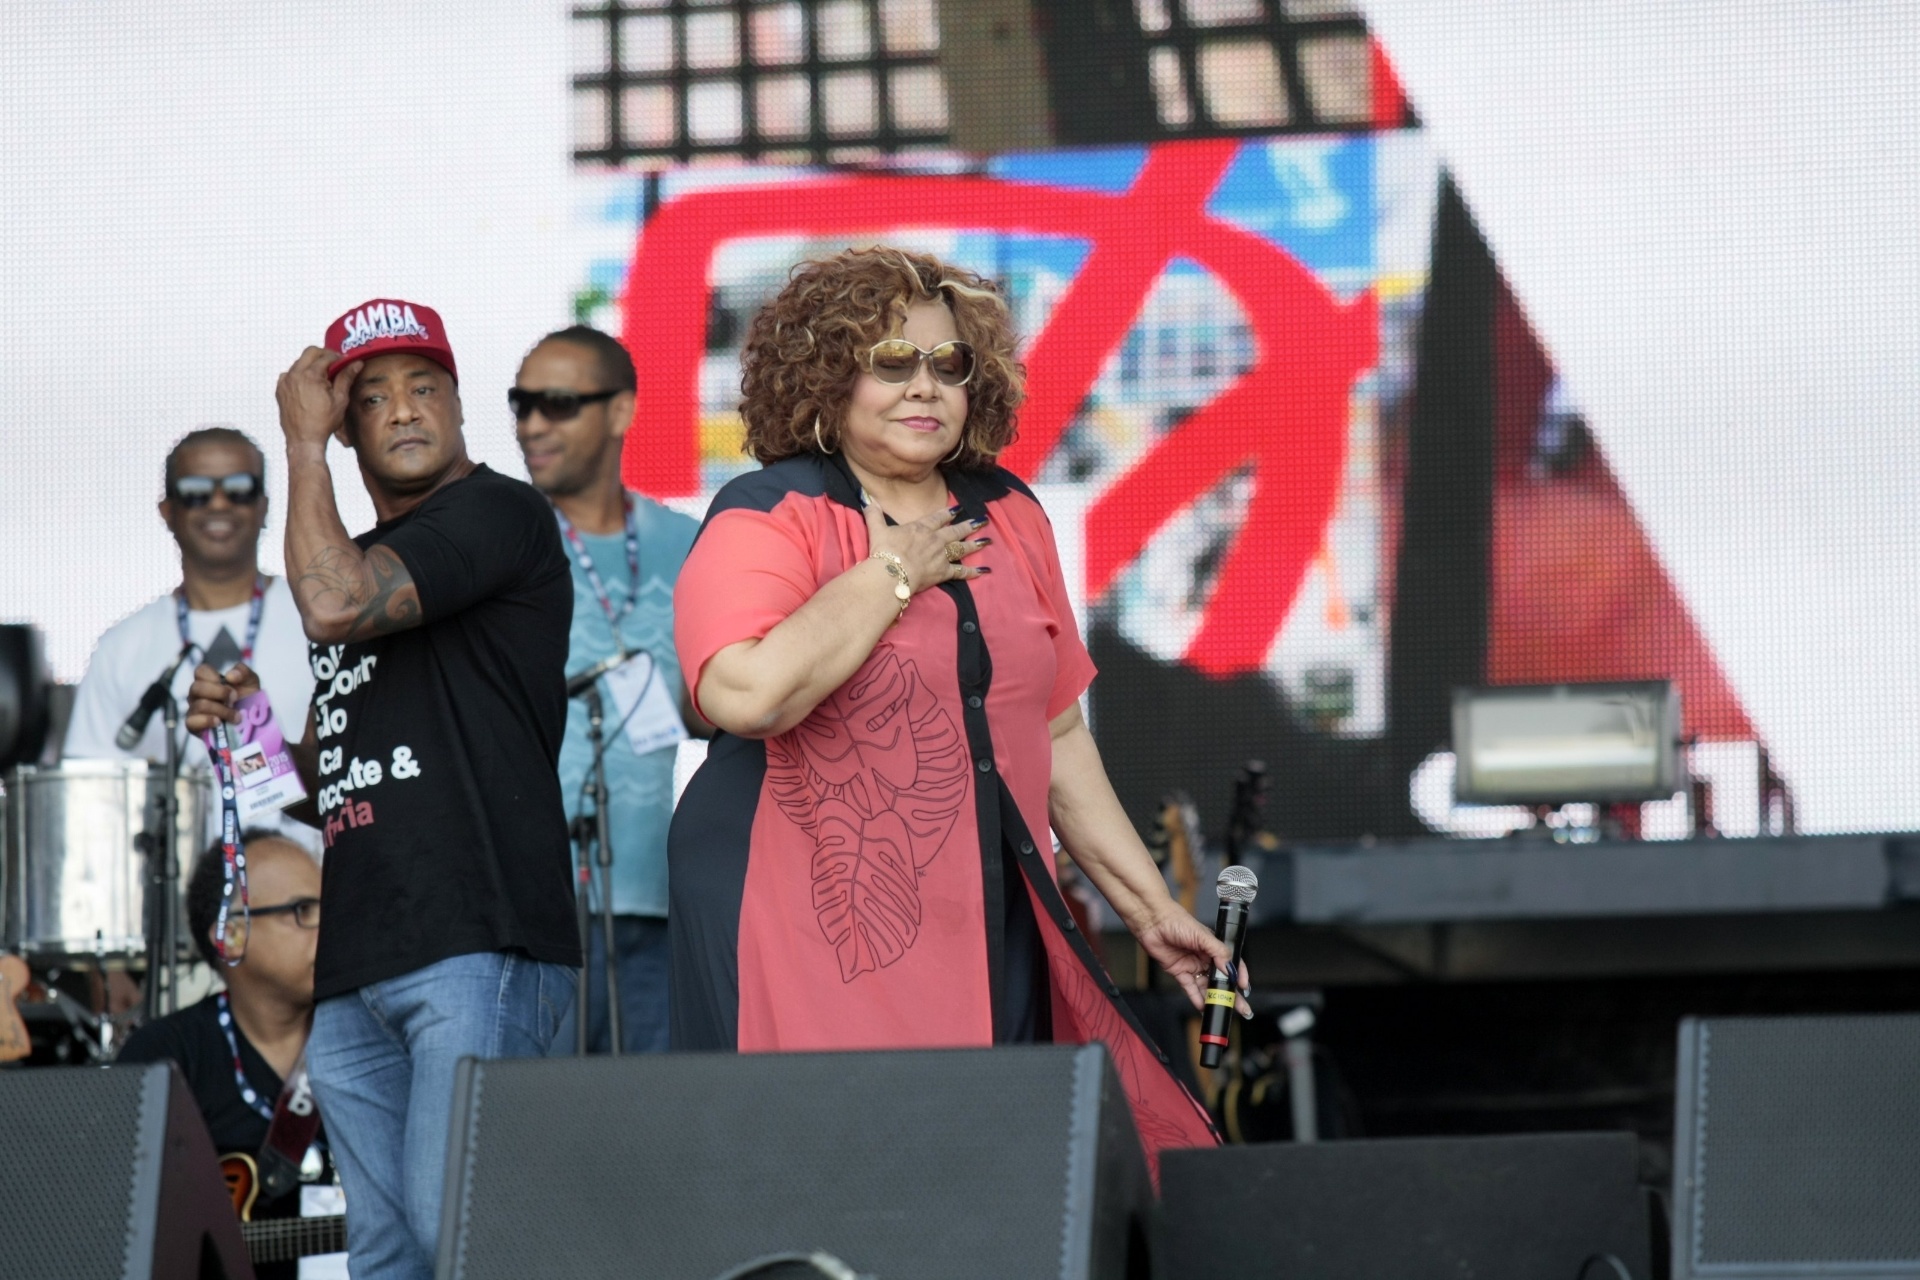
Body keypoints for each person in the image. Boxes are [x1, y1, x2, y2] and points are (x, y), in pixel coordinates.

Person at [668, 248, 1234, 1159]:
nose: (924, 386)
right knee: (831, 1170)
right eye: (892, 361)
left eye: (948, 363)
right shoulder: (768, 510)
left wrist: (1149, 907)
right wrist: (893, 574)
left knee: (997, 1170)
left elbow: (1054, 730)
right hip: (797, 908)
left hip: (981, 909)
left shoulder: (1011, 512)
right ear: (828, 376)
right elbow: (745, 693)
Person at [186, 299, 579, 1280]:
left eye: (425, 387)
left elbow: (331, 603)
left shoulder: (495, 513)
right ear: (351, 425)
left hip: (477, 936)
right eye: (373, 398)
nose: (403, 410)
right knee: (389, 1258)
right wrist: (245, 728)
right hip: (360, 960)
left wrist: (299, 445)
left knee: (466, 1243)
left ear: (460, 405)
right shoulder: (364, 560)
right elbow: (328, 776)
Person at [514, 324, 703, 1054]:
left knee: (654, 1116)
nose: (533, 424)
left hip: (659, 899)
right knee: (541, 1115)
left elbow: (721, 708)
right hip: (532, 911)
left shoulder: (689, 540)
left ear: (620, 411)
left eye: (557, 404)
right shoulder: (500, 539)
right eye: (522, 403)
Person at [65, 429, 316, 845]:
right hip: (171, 881)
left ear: (264, 506)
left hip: (304, 879)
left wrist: (252, 730)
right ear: (167, 511)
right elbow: (89, 802)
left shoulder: (317, 620)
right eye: (196, 492)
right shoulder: (121, 647)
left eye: (238, 489)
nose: (218, 503)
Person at [117, 830, 341, 1280]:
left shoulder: (373, 1043)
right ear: (230, 935)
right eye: (304, 911)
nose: (332, 929)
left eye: (331, 908)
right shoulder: (164, 1057)